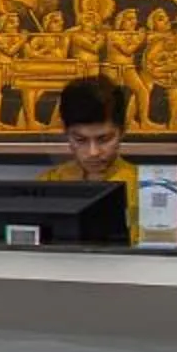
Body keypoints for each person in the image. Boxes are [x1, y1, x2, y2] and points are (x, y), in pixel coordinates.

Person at [42, 76, 139, 240]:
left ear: (122, 131)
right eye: (80, 140)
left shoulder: (144, 187)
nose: (93, 152)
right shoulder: (48, 183)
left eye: (104, 139)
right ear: (66, 133)